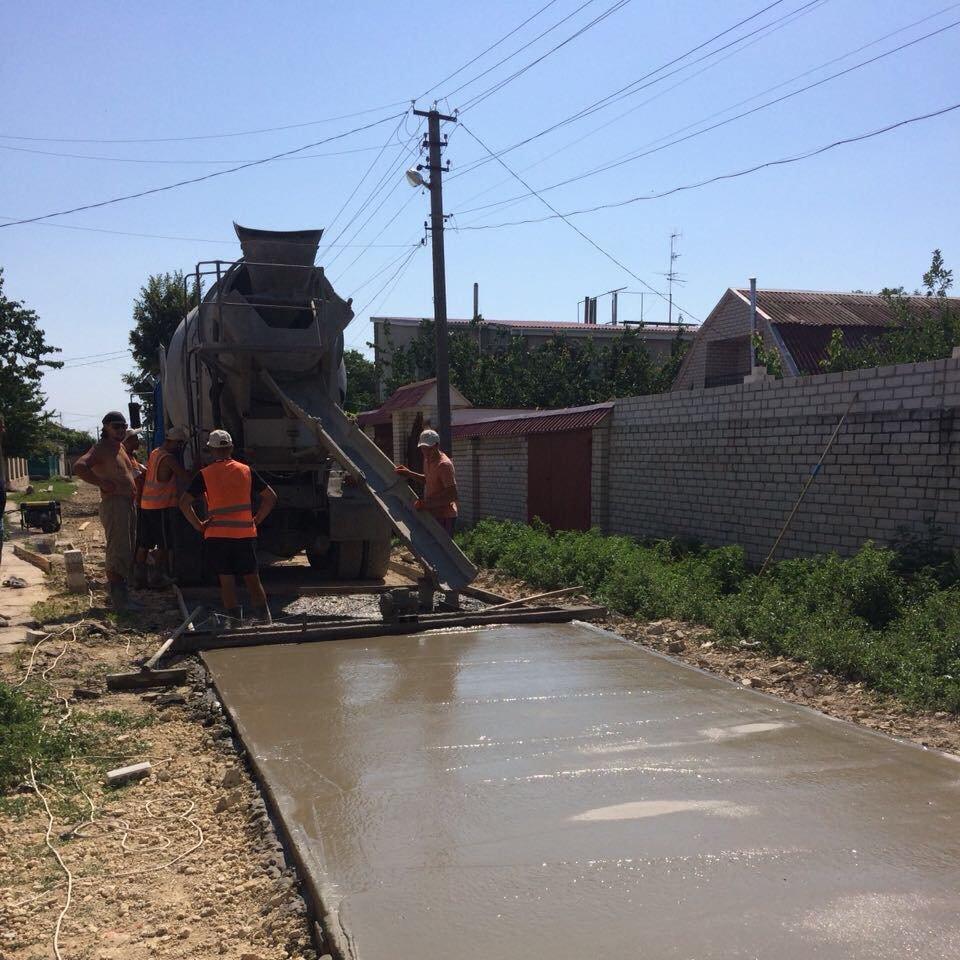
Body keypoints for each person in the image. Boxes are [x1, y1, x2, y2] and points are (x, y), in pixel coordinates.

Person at [179, 429, 277, 625]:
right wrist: (256, 519)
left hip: (217, 535)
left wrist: (199, 526)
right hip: (244, 534)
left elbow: (184, 503)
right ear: (231, 448)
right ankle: (265, 619)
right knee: (252, 578)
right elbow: (271, 497)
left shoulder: (205, 474)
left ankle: (234, 622)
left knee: (227, 580)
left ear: (211, 450)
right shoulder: (246, 471)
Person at [73, 411, 142, 611]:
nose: (120, 429)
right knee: (117, 550)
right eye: (116, 426)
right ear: (106, 427)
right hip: (115, 505)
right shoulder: (101, 448)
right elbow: (80, 466)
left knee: (126, 549)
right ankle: (120, 600)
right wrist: (101, 482)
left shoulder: (119, 447)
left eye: (123, 426)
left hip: (126, 504)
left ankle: (124, 597)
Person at [134, 426, 192, 589]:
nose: (180, 447)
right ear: (174, 442)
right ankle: (158, 577)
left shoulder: (155, 452)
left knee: (145, 542)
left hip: (147, 505)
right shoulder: (169, 459)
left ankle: (140, 577)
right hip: (160, 506)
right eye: (179, 444)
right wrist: (198, 469)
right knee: (164, 544)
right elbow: (185, 477)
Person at [394, 428, 458, 534]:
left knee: (442, 549)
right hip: (433, 513)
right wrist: (408, 473)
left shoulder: (444, 465)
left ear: (437, 446)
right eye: (423, 449)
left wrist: (425, 504)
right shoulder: (428, 460)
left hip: (445, 516)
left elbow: (452, 495)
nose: (426, 452)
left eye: (429, 449)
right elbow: (428, 480)